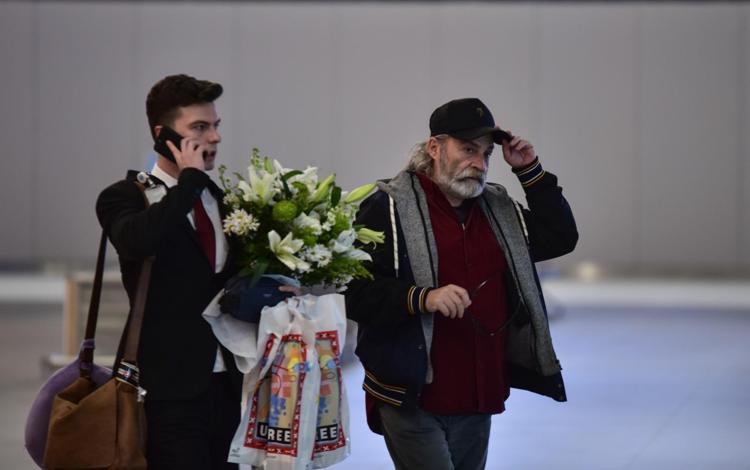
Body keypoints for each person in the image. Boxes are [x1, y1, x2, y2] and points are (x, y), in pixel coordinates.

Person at [345, 97, 578, 470]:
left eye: (487, 154)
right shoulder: (387, 207)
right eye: (468, 149)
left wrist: (529, 170)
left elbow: (560, 237)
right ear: (434, 148)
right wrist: (422, 298)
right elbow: (354, 292)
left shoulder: (498, 210)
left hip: (478, 392)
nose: (480, 164)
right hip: (413, 397)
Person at [96, 74, 241, 469]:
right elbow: (138, 241)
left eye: (215, 125)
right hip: (166, 389)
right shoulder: (124, 197)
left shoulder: (219, 200)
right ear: (163, 136)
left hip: (228, 383)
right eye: (200, 127)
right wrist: (188, 182)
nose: (214, 137)